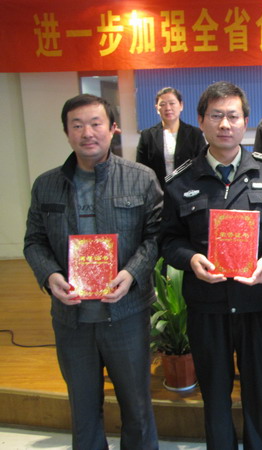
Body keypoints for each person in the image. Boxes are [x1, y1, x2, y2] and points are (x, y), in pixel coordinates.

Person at [23, 94, 161, 449]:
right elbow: (34, 242)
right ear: (67, 132)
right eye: (77, 125)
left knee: (137, 408)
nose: (87, 133)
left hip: (126, 315)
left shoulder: (141, 179)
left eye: (96, 123)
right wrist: (50, 275)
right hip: (72, 320)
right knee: (83, 411)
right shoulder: (46, 185)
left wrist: (131, 273)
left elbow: (156, 236)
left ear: (113, 129)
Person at [160, 81, 262, 449]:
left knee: (259, 389)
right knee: (214, 393)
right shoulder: (181, 181)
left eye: (233, 116)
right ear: (201, 121)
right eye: (216, 116)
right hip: (207, 305)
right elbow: (168, 240)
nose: (225, 124)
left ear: (246, 121)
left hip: (256, 303)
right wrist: (191, 258)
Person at [137, 86, 205, 189]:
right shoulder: (147, 135)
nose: (168, 108)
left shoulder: (195, 134)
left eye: (172, 103)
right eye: (162, 104)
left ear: (181, 105)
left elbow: (202, 165)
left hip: (188, 191)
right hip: (157, 192)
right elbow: (141, 169)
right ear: (157, 108)